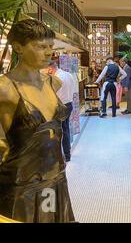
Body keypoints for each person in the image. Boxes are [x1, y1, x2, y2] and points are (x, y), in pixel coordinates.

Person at [0, 19, 74, 222]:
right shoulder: (5, 89)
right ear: (18, 48)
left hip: (55, 179)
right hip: (20, 186)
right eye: (40, 47)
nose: (48, 52)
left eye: (50, 46)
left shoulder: (53, 82)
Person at [48, 59, 75, 162]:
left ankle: (59, 156)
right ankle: (67, 155)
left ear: (50, 69)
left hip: (60, 107)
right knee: (65, 130)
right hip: (69, 105)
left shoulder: (56, 78)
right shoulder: (68, 74)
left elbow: (52, 94)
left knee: (58, 132)